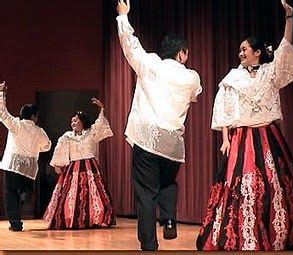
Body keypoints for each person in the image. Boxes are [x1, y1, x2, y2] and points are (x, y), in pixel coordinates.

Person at [196, 0, 293, 251]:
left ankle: (275, 234)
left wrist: (289, 18)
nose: (240, 53)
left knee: (273, 187)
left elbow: (285, 48)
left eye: (244, 49)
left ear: (257, 52)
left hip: (268, 135)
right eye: (239, 50)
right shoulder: (233, 77)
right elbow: (225, 108)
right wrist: (225, 139)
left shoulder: (271, 72)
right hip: (242, 137)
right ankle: (244, 235)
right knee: (244, 189)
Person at [116, 0, 202, 251]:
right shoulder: (191, 76)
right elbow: (196, 94)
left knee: (145, 192)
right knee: (168, 184)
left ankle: (149, 244)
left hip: (147, 137)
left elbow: (130, 46)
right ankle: (169, 218)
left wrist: (124, 17)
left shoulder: (151, 63)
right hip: (172, 142)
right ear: (182, 53)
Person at [43, 97, 115, 230]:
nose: (73, 123)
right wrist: (57, 164)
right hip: (73, 168)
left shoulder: (91, 133)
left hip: (90, 167)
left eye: (75, 120)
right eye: (71, 121)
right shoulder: (67, 136)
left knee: (94, 194)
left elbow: (101, 124)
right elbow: (60, 149)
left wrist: (101, 109)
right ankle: (71, 219)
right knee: (71, 195)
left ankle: (96, 218)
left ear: (82, 121)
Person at [0, 82, 51, 231]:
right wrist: (35, 148)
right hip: (28, 167)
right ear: (34, 116)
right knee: (22, 192)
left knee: (10, 193)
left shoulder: (16, 124)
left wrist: (1, 94)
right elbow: (47, 145)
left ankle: (15, 222)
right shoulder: (39, 131)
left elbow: (2, 113)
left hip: (13, 164)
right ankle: (23, 199)